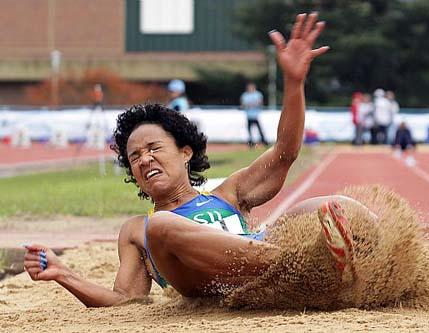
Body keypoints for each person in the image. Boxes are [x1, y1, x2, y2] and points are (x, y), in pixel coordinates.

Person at [23, 13, 363, 307]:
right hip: (209, 286)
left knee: (337, 204)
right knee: (159, 226)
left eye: (154, 148)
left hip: (262, 270)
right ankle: (303, 266)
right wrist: (63, 274)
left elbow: (285, 153)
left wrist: (294, 83)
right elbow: (127, 300)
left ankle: (370, 269)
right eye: (135, 156)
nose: (144, 160)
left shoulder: (229, 193)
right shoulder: (136, 231)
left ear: (185, 152)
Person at [240, 82, 269, 147]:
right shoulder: (245, 95)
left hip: (256, 115)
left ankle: (264, 142)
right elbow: (242, 105)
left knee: (260, 130)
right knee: (249, 131)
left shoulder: (257, 94)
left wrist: (252, 105)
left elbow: (260, 103)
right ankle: (251, 143)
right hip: (249, 115)